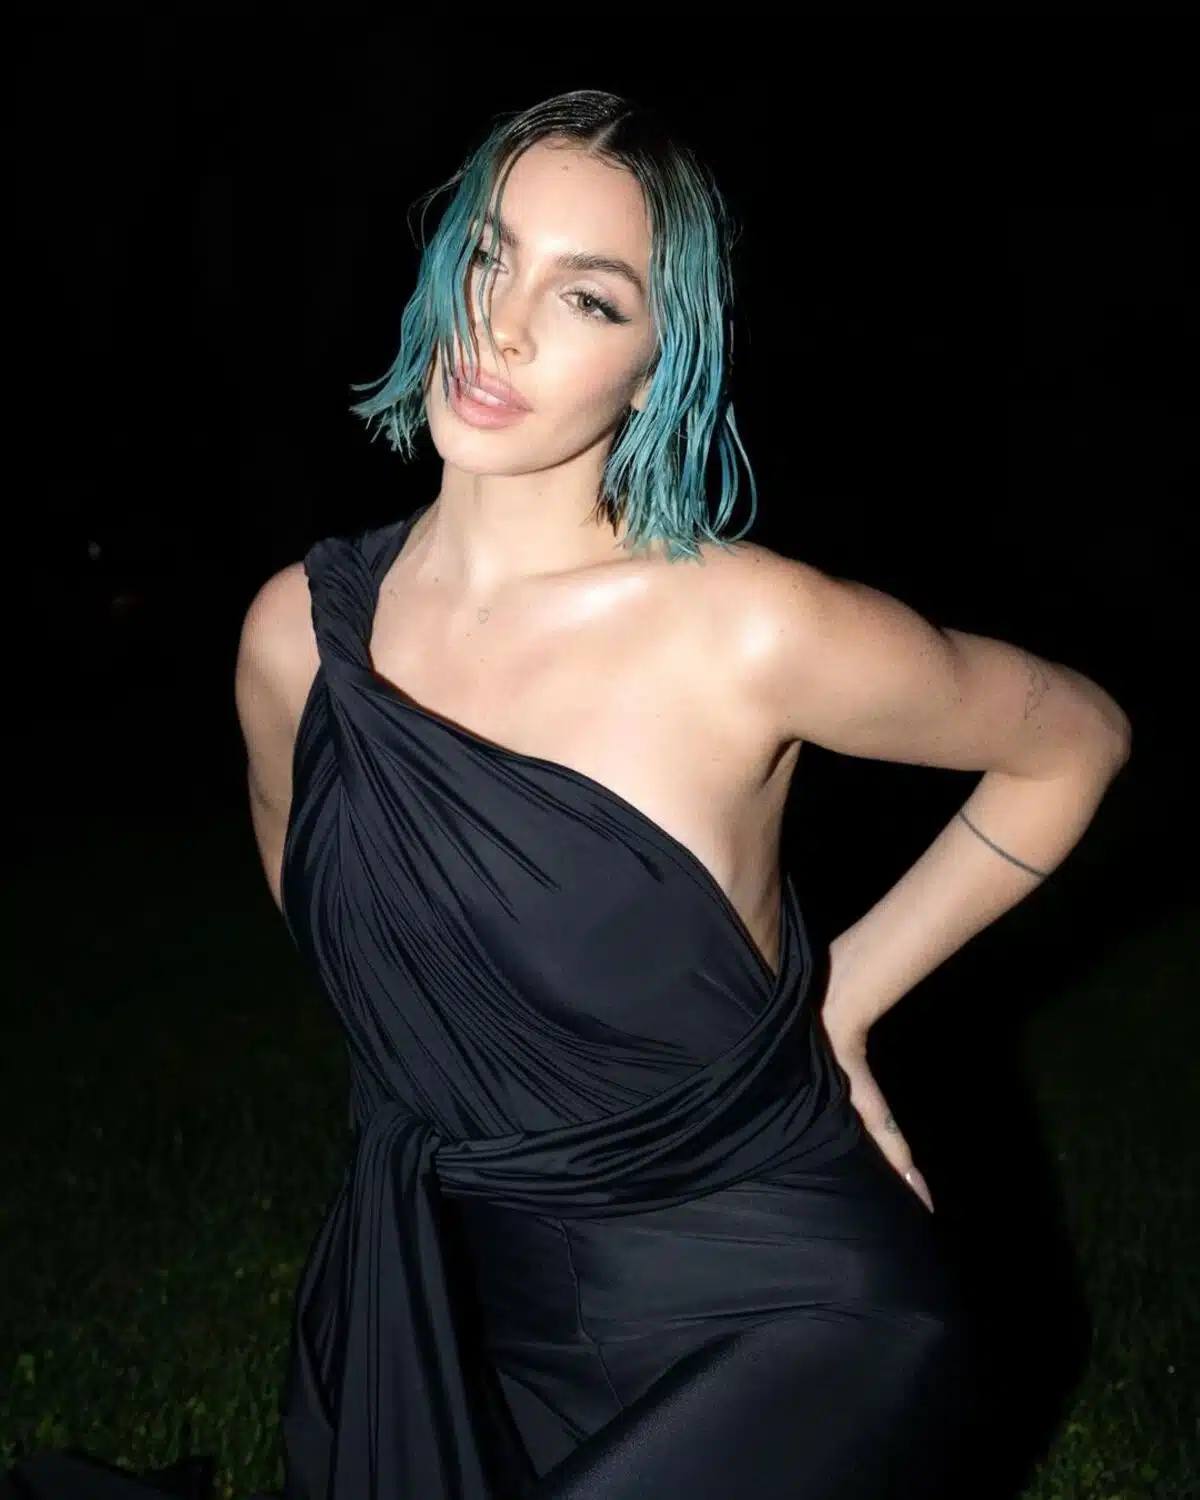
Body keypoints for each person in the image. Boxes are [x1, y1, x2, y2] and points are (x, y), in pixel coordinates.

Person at [234, 89, 1131, 1500]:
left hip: (782, 1315)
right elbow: (350, 952)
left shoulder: (746, 631)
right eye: (490, 254)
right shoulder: (295, 639)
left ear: (660, 367)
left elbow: (1073, 738)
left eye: (588, 298)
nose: (501, 325)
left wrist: (840, 1000)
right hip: (466, 1300)